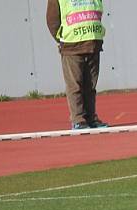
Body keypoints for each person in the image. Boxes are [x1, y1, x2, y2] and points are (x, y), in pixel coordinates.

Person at [46, 0, 108, 130]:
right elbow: (52, 20)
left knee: (90, 86)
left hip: (93, 43)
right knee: (75, 86)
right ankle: (78, 119)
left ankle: (91, 118)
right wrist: (62, 38)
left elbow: (98, 11)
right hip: (71, 45)